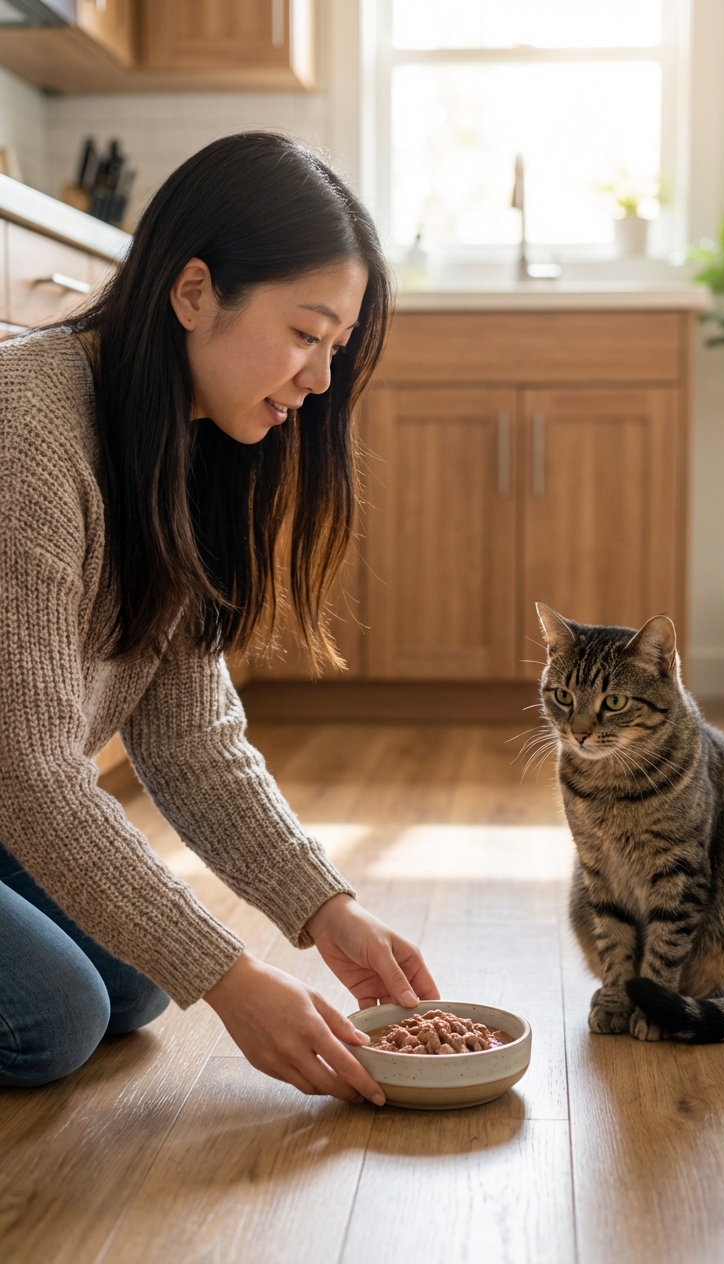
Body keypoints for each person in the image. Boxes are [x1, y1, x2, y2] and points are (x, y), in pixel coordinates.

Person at [0, 132, 438, 1103]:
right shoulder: (26, 429)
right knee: (55, 1015)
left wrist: (323, 907)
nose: (321, 380)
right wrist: (235, 983)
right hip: (7, 782)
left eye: (336, 347)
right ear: (193, 292)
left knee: (137, 981)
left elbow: (190, 736)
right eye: (304, 334)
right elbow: (28, 770)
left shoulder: (189, 441)